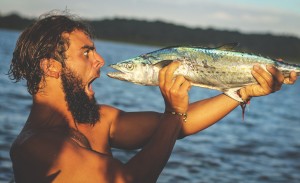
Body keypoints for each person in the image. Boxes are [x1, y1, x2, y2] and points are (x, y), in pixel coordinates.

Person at [8, 12, 297, 183]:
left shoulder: (100, 119)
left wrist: (243, 92)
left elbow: (177, 127)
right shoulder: (36, 147)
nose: (101, 59)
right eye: (86, 52)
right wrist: (173, 114)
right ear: (50, 66)